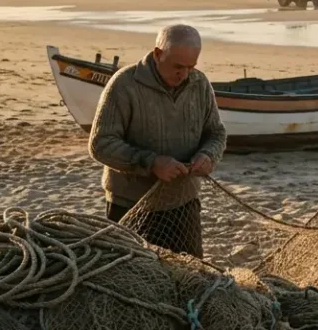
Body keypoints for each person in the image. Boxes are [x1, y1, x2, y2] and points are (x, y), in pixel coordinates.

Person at [88, 24, 227, 257]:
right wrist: (151, 163)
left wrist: (208, 156)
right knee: (131, 278)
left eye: (191, 67)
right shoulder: (124, 84)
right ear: (157, 54)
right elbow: (100, 144)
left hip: (184, 204)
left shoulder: (199, 84)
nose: (183, 74)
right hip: (130, 203)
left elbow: (216, 133)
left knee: (192, 277)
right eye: (177, 66)